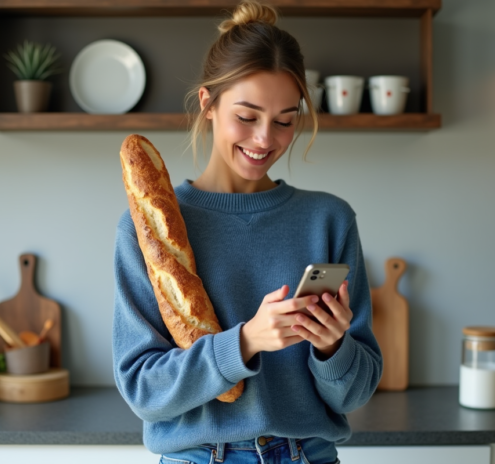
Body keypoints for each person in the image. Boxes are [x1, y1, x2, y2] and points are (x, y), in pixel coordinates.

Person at [112, 1, 382, 463]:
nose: (264, 139)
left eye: (284, 120)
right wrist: (246, 341)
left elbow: (353, 396)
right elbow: (143, 389)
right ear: (208, 103)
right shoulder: (148, 229)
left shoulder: (329, 220)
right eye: (247, 115)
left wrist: (333, 347)